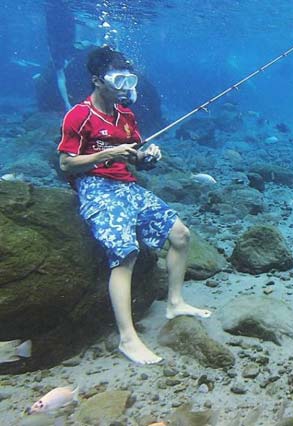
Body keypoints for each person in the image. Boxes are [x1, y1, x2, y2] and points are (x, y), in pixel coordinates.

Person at [57, 46, 210, 365]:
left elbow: (136, 160)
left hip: (126, 185)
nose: (125, 86)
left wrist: (146, 158)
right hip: (95, 186)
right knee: (125, 253)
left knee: (181, 235)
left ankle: (175, 302)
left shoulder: (126, 116)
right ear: (98, 80)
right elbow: (67, 165)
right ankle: (128, 339)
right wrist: (106, 155)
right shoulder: (79, 115)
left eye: (129, 78)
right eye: (118, 78)